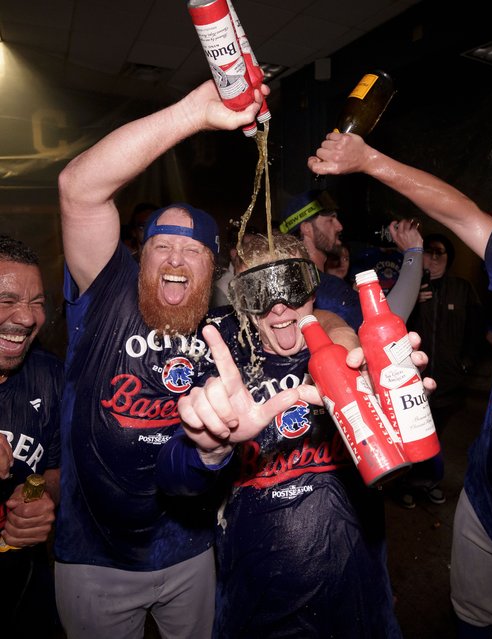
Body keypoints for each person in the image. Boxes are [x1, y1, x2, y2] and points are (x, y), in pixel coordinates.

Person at [54, 80, 347, 639]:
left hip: (189, 552)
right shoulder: (106, 291)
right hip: (94, 554)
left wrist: (343, 339)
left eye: (193, 249)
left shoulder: (226, 329)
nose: (175, 258)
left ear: (213, 269)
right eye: (162, 244)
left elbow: (312, 315)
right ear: (142, 255)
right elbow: (78, 187)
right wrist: (193, 113)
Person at [308, 129, 492, 638]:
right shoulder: (309, 286)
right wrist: (369, 159)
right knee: (474, 616)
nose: (339, 224)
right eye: (327, 217)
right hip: (488, 498)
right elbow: (462, 212)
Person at [157, 232, 405, 639]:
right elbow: (170, 482)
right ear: (240, 300)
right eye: (258, 290)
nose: (278, 305)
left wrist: (403, 408)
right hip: (254, 605)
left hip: (358, 600)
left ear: (313, 288)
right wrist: (208, 449)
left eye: (291, 286)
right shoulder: (224, 364)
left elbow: (421, 468)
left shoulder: (355, 357)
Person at [0, 235, 63, 639]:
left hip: (21, 578)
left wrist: (41, 500)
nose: (26, 318)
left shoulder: (50, 376)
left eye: (37, 303)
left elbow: (56, 468)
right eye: (7, 300)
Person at [398, 232, 485, 508]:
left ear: (449, 259)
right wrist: (412, 302)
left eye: (440, 254)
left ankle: (428, 483)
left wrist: (468, 360)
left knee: (434, 437)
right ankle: (404, 485)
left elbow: (476, 328)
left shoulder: (462, 288)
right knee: (409, 436)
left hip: (448, 383)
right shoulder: (407, 288)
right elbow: (391, 327)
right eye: (429, 252)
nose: (434, 259)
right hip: (411, 383)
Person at [280, 189, 424, 326]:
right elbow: (388, 328)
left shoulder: (299, 282)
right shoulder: (326, 288)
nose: (339, 227)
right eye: (331, 220)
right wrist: (413, 251)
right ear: (307, 228)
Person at [210, 222, 260, 308]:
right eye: (248, 248)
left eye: (256, 247)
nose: (255, 252)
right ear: (233, 252)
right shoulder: (223, 287)